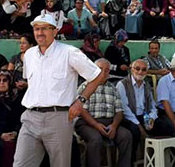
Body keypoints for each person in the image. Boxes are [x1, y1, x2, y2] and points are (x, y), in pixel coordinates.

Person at [13, 15, 107, 167]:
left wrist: (80, 101)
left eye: (45, 28)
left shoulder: (69, 52)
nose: (40, 32)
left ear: (55, 31)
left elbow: (96, 75)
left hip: (58, 117)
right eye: (37, 29)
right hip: (30, 117)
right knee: (20, 164)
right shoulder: (29, 55)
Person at [75, 58, 133, 167]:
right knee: (95, 139)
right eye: (100, 69)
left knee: (126, 136)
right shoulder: (84, 87)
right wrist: (96, 125)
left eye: (107, 70)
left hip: (109, 122)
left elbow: (119, 111)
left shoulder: (112, 88)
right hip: (87, 123)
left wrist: (114, 126)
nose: (103, 72)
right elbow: (82, 111)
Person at [116, 59, 159, 163]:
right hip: (128, 118)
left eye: (144, 70)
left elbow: (153, 106)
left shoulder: (146, 85)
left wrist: (152, 118)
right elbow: (124, 109)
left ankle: (159, 161)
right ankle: (131, 162)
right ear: (131, 69)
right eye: (137, 69)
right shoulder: (122, 84)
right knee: (134, 132)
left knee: (166, 126)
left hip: (144, 116)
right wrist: (139, 125)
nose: (140, 72)